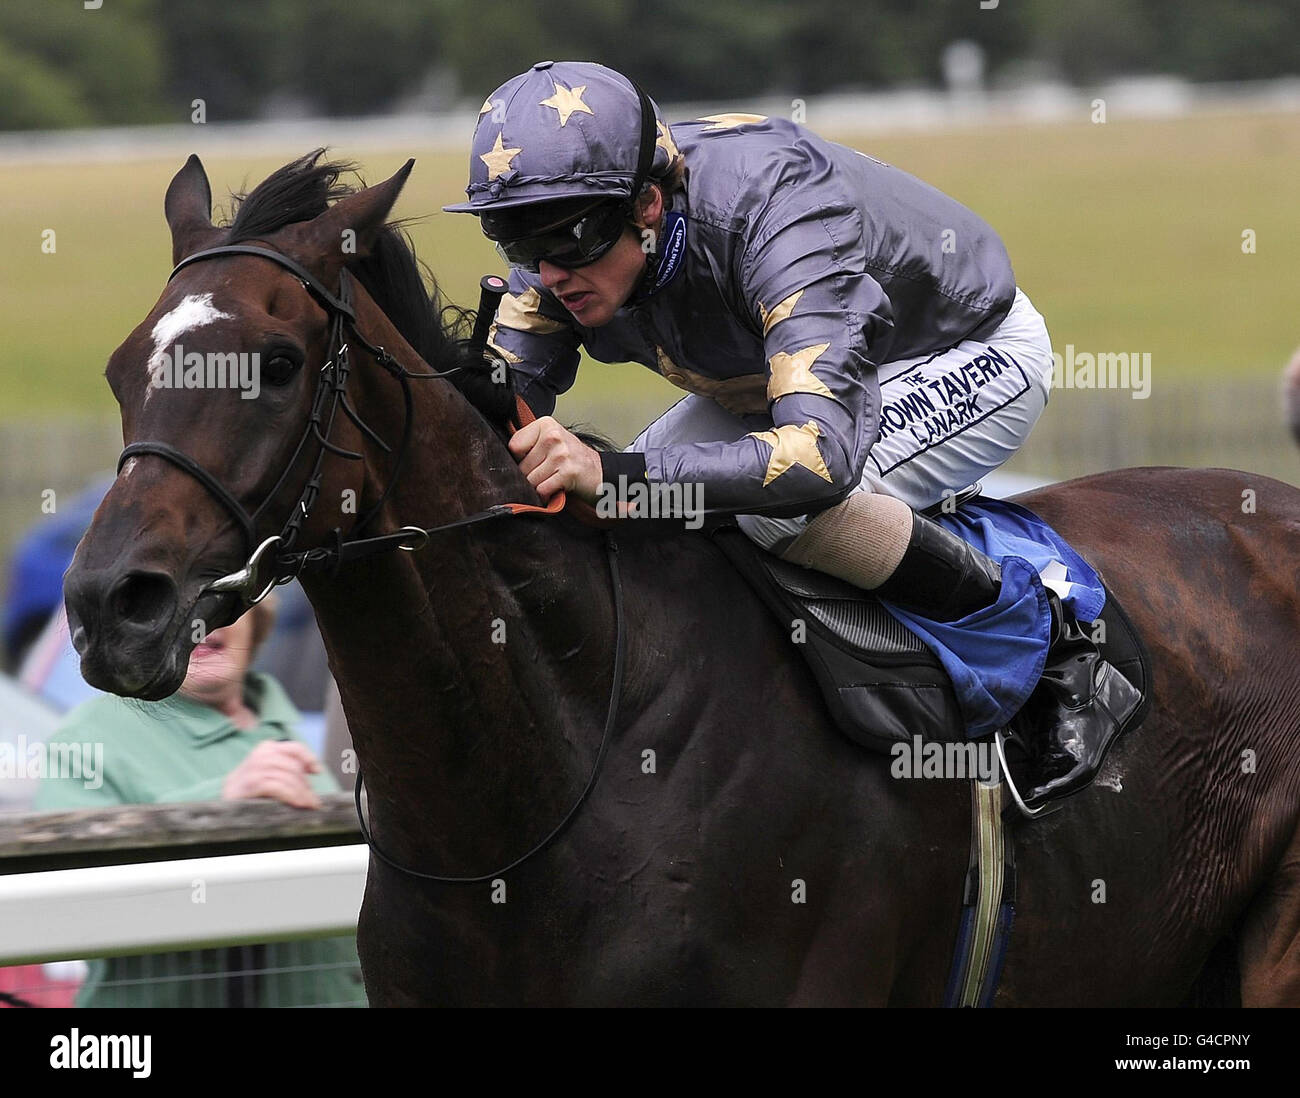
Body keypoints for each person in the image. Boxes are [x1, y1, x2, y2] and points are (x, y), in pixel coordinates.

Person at [444, 60, 1140, 811]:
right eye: (513, 240)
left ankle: (1056, 642)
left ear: (646, 202)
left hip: (964, 348)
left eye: (569, 240)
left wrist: (612, 476)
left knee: (761, 504)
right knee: (651, 513)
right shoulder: (572, 230)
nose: (547, 274)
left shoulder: (777, 209)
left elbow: (816, 459)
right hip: (778, 374)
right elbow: (492, 413)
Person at [33, 597, 364, 1007]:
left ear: (256, 619)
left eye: (224, 602)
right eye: (172, 604)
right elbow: (69, 910)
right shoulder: (88, 740)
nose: (203, 623)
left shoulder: (286, 724)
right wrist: (220, 808)